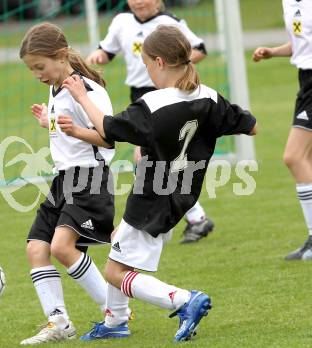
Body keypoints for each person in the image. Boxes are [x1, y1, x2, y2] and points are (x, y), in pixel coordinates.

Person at [59, 25, 257, 342]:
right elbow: (251, 126)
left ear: (160, 62)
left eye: (146, 63)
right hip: (183, 195)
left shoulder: (153, 105)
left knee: (115, 271)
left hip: (152, 195)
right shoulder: (209, 97)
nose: (146, 70)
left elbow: (107, 129)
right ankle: (115, 322)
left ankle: (182, 300)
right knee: (118, 244)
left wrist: (82, 96)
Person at [19, 22, 126, 345]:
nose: (37, 74)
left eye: (40, 66)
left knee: (62, 247)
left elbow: (108, 140)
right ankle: (59, 321)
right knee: (36, 248)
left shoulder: (89, 91)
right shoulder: (54, 87)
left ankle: (114, 313)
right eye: (32, 69)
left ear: (61, 55)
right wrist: (47, 121)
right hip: (63, 180)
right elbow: (66, 127)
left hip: (90, 179)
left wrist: (76, 131)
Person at [86, 0, 214, 244]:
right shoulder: (121, 22)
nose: (139, 2)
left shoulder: (170, 24)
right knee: (155, 161)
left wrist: (173, 67)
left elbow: (200, 49)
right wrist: (98, 56)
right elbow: (108, 51)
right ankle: (193, 218)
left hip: (168, 95)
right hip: (140, 96)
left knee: (145, 158)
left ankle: (157, 219)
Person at [252, 0, 312, 261]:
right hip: (305, 81)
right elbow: (303, 44)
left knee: (295, 156)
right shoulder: (289, 2)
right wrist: (273, 52)